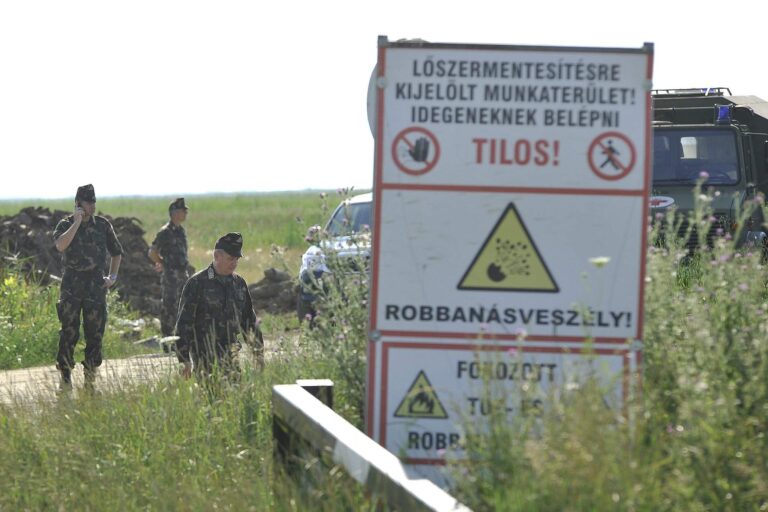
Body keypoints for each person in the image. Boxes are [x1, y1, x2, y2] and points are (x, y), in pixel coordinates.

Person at [52, 184, 123, 392]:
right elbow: (60, 245)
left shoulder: (102, 225)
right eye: (88, 202)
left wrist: (113, 276)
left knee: (95, 332)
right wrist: (76, 223)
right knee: (69, 331)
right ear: (78, 203)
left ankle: (90, 377)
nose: (92, 205)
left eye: (94, 202)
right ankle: (66, 375)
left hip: (95, 286)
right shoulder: (65, 224)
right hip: (72, 286)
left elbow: (117, 252)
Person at [174, 232, 264, 380]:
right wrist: (183, 359)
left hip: (232, 355)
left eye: (236, 259)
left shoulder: (239, 283)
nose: (234, 263)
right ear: (217, 256)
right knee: (211, 392)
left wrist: (257, 353)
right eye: (230, 259)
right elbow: (184, 323)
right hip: (204, 357)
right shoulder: (197, 283)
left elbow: (249, 321)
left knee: (236, 391)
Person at [148, 198, 190, 347]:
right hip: (171, 275)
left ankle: (180, 340)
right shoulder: (165, 232)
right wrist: (163, 263)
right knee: (169, 306)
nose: (186, 214)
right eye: (183, 211)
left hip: (182, 274)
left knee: (182, 305)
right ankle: (167, 340)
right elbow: (152, 252)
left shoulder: (181, 231)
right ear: (175, 213)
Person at [297, 225, 329, 325]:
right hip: (320, 279)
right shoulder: (321, 249)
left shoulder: (309, 251)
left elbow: (303, 270)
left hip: (307, 280)